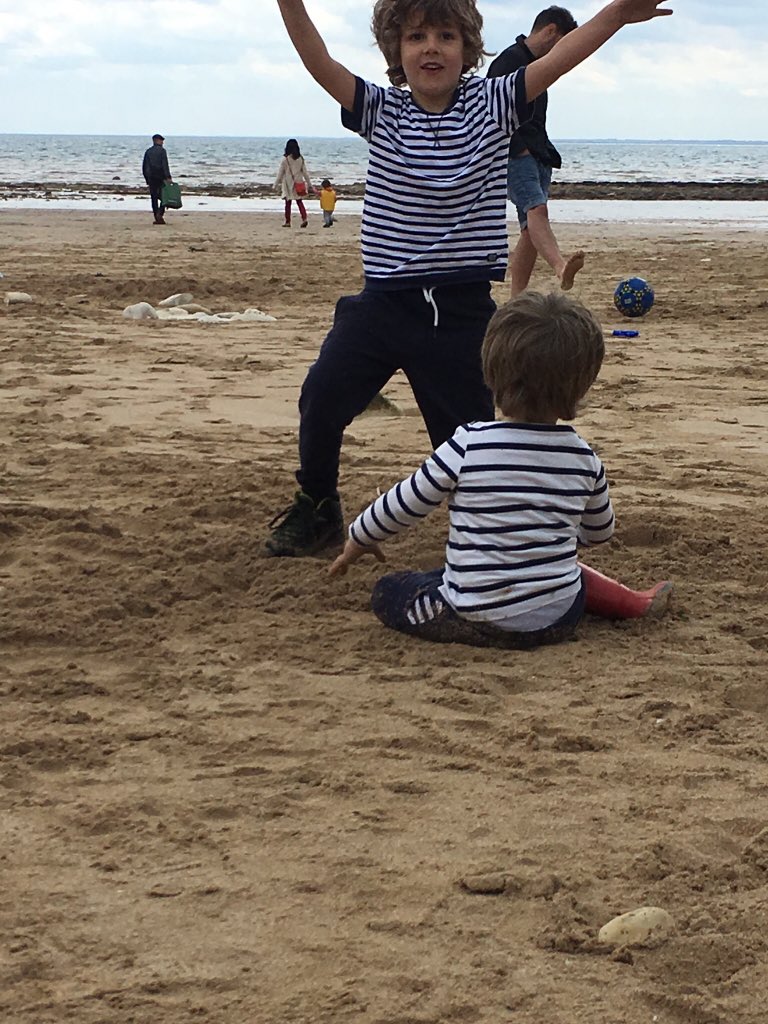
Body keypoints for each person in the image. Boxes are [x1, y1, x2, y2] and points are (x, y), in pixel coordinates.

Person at [267, 0, 673, 558]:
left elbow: (563, 57)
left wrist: (618, 14)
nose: (430, 47)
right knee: (321, 397)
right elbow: (318, 59)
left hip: (460, 315)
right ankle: (317, 507)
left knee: (473, 446)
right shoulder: (381, 111)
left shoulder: (494, 103)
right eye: (415, 37)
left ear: (467, 49)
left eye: (445, 36)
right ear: (396, 53)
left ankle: (494, 529)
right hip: (383, 305)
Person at [329, 291, 672, 648]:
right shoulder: (584, 457)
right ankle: (619, 602)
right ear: (583, 385)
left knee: (391, 590)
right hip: (559, 619)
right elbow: (600, 533)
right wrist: (545, 532)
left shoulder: (468, 444)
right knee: (565, 574)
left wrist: (359, 537)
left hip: (476, 614)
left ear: (491, 370)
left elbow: (404, 503)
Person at [487, 7, 585, 296]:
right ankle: (560, 266)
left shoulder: (536, 66)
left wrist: (543, 152)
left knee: (530, 231)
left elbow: (535, 120)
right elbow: (491, 110)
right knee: (536, 209)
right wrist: (518, 150)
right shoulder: (510, 61)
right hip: (514, 154)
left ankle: (517, 298)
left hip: (537, 153)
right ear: (551, 31)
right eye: (562, 44)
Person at [275, 139, 313, 228]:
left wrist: (275, 184)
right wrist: (309, 184)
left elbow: (280, 173)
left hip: (288, 184)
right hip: (298, 183)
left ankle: (288, 222)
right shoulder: (301, 159)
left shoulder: (285, 160)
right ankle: (304, 218)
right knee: (299, 202)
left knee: (288, 204)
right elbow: (305, 173)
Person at [142, 134, 172, 226]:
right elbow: (164, 165)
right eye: (161, 140)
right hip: (161, 177)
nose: (162, 142)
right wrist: (168, 177)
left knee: (154, 198)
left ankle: (156, 216)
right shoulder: (162, 151)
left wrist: (147, 178)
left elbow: (144, 167)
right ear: (156, 141)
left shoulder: (148, 151)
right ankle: (160, 213)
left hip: (151, 178)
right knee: (164, 196)